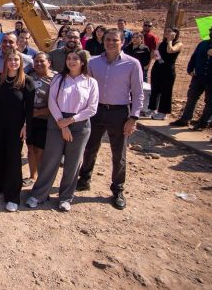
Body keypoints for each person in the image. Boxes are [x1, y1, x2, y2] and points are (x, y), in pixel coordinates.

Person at [77, 29, 144, 210]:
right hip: (96, 110)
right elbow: (85, 87)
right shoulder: (93, 63)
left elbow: (138, 93)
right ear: (103, 41)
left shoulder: (132, 64)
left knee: (118, 154)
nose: (111, 43)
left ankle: (117, 189)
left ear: (122, 42)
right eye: (108, 39)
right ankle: (84, 179)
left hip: (119, 113)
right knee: (90, 148)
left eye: (115, 40)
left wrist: (133, 118)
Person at [26, 51, 98, 212]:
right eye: (69, 59)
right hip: (57, 121)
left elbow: (92, 108)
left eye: (75, 59)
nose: (71, 61)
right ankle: (38, 195)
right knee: (50, 160)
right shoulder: (58, 79)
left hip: (80, 124)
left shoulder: (91, 82)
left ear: (83, 62)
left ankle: (65, 198)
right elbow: (52, 101)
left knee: (73, 163)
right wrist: (62, 124)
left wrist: (71, 121)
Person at [0, 50, 35, 212]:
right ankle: (0, 184)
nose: (13, 62)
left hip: (15, 128)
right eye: (10, 59)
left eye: (16, 60)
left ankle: (13, 196)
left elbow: (29, 109)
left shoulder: (27, 82)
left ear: (21, 62)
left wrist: (26, 126)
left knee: (13, 160)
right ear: (5, 62)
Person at [171, 23, 212, 130]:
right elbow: (194, 57)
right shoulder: (203, 44)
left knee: (210, 101)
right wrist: (190, 70)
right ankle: (185, 119)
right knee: (191, 98)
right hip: (198, 77)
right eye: (211, 29)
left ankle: (204, 123)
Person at [25, 52, 54, 187]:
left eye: (42, 61)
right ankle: (32, 175)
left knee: (40, 150)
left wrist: (39, 112)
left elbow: (57, 103)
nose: (38, 64)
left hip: (45, 119)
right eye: (36, 61)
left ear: (49, 62)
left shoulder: (55, 79)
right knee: (30, 148)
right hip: (30, 119)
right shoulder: (30, 76)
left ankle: (42, 179)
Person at [147, 28, 182, 120]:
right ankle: (152, 108)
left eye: (169, 32)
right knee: (154, 89)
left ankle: (163, 112)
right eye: (166, 31)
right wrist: (159, 59)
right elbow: (156, 53)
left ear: (175, 34)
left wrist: (170, 40)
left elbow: (170, 50)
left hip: (168, 70)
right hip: (158, 68)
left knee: (166, 91)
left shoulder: (178, 44)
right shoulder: (160, 43)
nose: (167, 33)